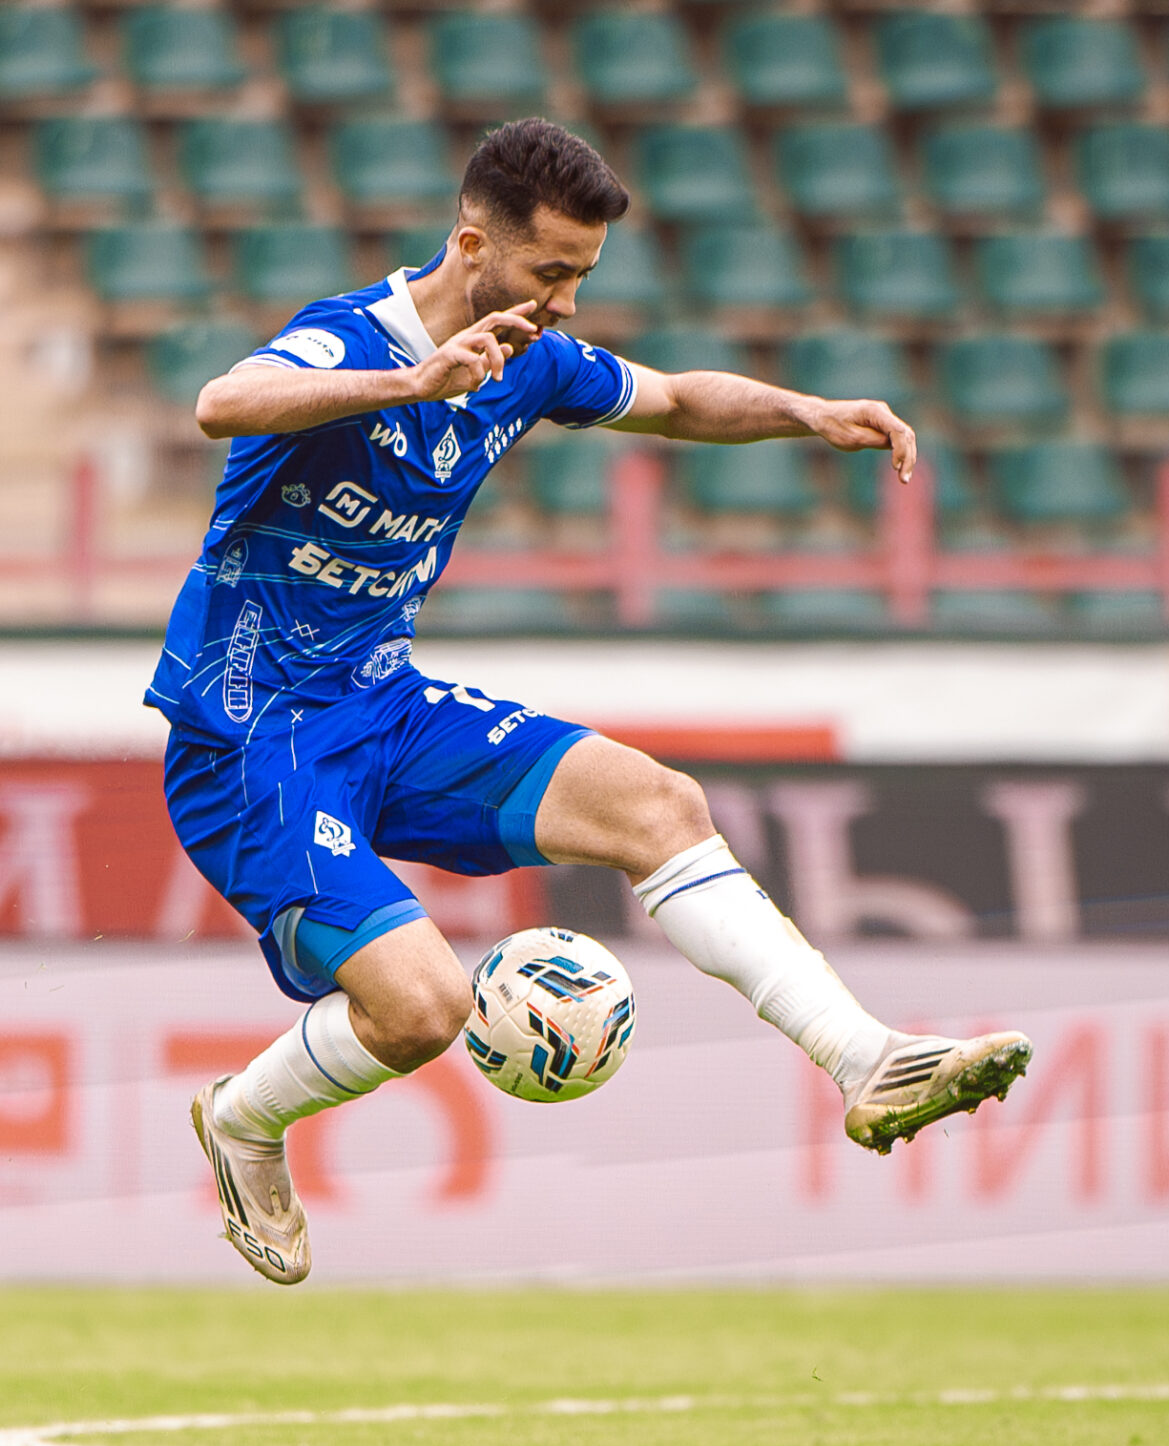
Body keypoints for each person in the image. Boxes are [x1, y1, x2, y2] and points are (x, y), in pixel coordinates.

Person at [150, 119, 1032, 1286]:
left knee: (657, 804)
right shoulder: (345, 340)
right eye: (551, 271)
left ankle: (864, 1061)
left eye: (581, 276)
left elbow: (673, 400)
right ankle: (243, 1121)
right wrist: (410, 383)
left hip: (383, 706)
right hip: (251, 734)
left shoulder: (532, 359)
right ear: (473, 245)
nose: (565, 302)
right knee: (422, 1010)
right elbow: (224, 401)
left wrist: (808, 411)